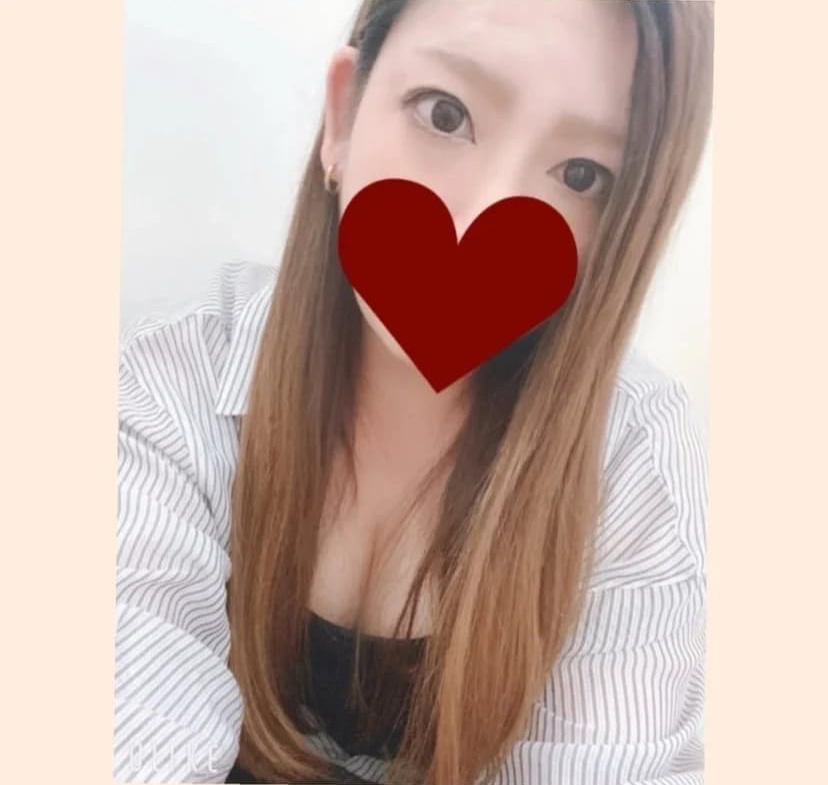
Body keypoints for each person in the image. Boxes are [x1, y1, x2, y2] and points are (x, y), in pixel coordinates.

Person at [113, 0, 713, 783]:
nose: (483, 215)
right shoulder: (171, 382)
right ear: (343, 114)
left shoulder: (636, 470)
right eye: (445, 113)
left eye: (581, 176)